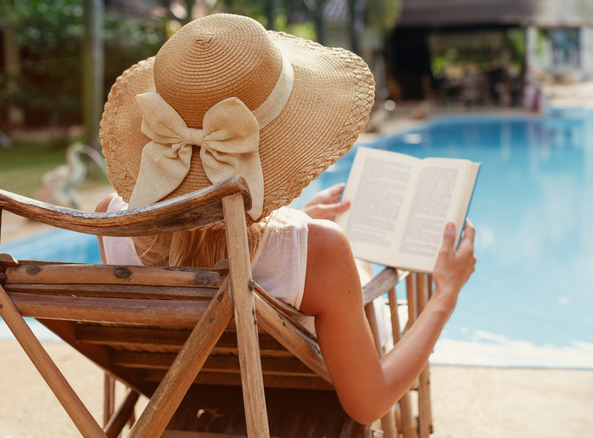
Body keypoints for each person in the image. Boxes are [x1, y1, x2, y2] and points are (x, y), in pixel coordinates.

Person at [96, 13, 476, 425]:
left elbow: (204, 253)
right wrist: (445, 295)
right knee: (371, 283)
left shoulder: (111, 222)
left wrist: (293, 229)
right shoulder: (321, 250)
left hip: (190, 400)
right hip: (297, 406)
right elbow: (368, 403)